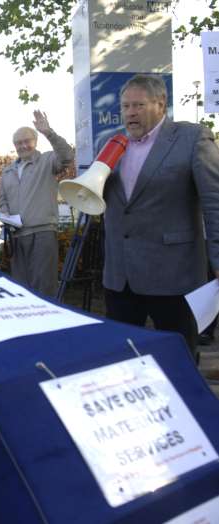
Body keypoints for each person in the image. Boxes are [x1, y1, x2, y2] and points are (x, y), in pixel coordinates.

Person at [101, 74, 219, 361]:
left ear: (161, 103)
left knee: (179, 360)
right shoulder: (111, 143)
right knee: (122, 359)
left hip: (173, 277)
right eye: (126, 106)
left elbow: (215, 203)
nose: (130, 112)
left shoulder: (192, 138)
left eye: (139, 105)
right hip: (120, 278)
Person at [0, 110, 74, 297]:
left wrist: (49, 132)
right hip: (16, 236)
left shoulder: (48, 160)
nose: (23, 146)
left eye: (27, 141)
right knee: (20, 289)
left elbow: (67, 156)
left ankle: (50, 323)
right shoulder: (7, 172)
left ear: (35, 141)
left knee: (44, 287)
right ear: (14, 145)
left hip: (42, 232)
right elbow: (3, 200)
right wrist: (4, 212)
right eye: (19, 142)